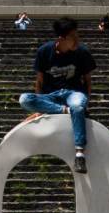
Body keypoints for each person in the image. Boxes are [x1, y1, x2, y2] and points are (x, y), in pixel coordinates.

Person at [18, 17, 95, 174]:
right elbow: (39, 83)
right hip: (51, 96)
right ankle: (65, 110)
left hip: (74, 93)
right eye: (73, 36)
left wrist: (85, 101)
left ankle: (79, 154)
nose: (77, 40)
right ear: (62, 38)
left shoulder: (82, 52)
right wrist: (40, 107)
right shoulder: (44, 52)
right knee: (24, 99)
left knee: (77, 104)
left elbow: (87, 81)